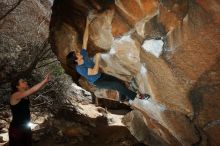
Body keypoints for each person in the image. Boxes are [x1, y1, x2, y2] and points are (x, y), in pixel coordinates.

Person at [66, 16, 150, 103]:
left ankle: (123, 97)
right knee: (116, 85)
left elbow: (85, 40)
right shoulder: (80, 68)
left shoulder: (83, 55)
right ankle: (139, 96)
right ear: (76, 60)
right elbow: (94, 72)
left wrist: (87, 23)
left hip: (101, 75)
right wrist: (97, 59)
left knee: (119, 82)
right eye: (76, 54)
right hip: (98, 81)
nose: (78, 52)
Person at [9, 73, 50, 146]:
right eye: (23, 82)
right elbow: (32, 89)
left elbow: (35, 90)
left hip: (26, 127)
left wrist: (45, 82)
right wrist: (43, 81)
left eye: (25, 81)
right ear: (17, 86)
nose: (26, 82)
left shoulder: (25, 95)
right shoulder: (15, 95)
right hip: (17, 129)